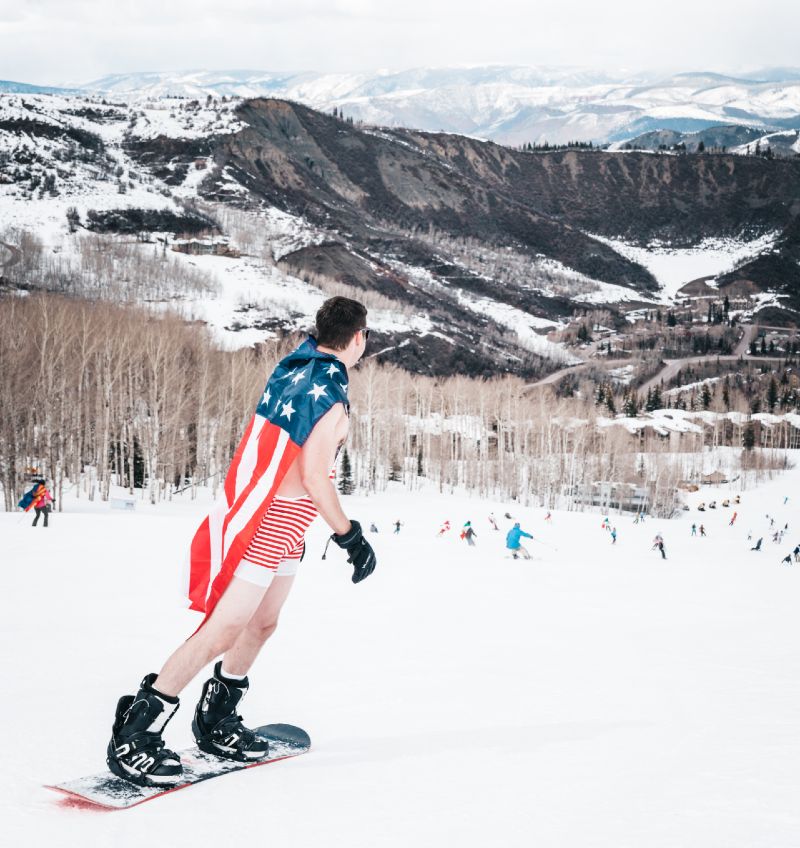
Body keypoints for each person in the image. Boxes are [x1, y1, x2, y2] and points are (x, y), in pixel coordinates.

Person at [105, 296, 378, 787]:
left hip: (290, 526)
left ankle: (217, 719)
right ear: (359, 338)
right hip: (271, 524)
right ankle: (135, 733)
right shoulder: (329, 390)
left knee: (263, 624)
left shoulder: (298, 367)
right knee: (224, 630)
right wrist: (349, 535)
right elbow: (316, 475)